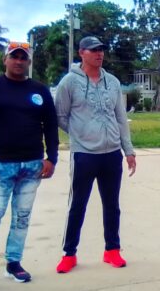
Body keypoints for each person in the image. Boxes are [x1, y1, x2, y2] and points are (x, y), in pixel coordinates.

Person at [0, 42, 59, 291]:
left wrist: (51, 158)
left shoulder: (39, 90)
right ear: (5, 60)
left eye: (23, 58)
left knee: (22, 218)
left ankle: (13, 262)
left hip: (32, 165)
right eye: (14, 57)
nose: (19, 61)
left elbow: (50, 125)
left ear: (29, 62)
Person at [54, 36, 136, 273]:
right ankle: (69, 253)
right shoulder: (69, 82)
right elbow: (60, 116)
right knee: (78, 204)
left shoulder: (112, 82)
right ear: (82, 53)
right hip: (84, 154)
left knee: (112, 205)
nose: (99, 54)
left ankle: (112, 249)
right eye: (93, 50)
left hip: (111, 153)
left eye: (101, 50)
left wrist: (128, 150)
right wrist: (81, 134)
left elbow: (121, 118)